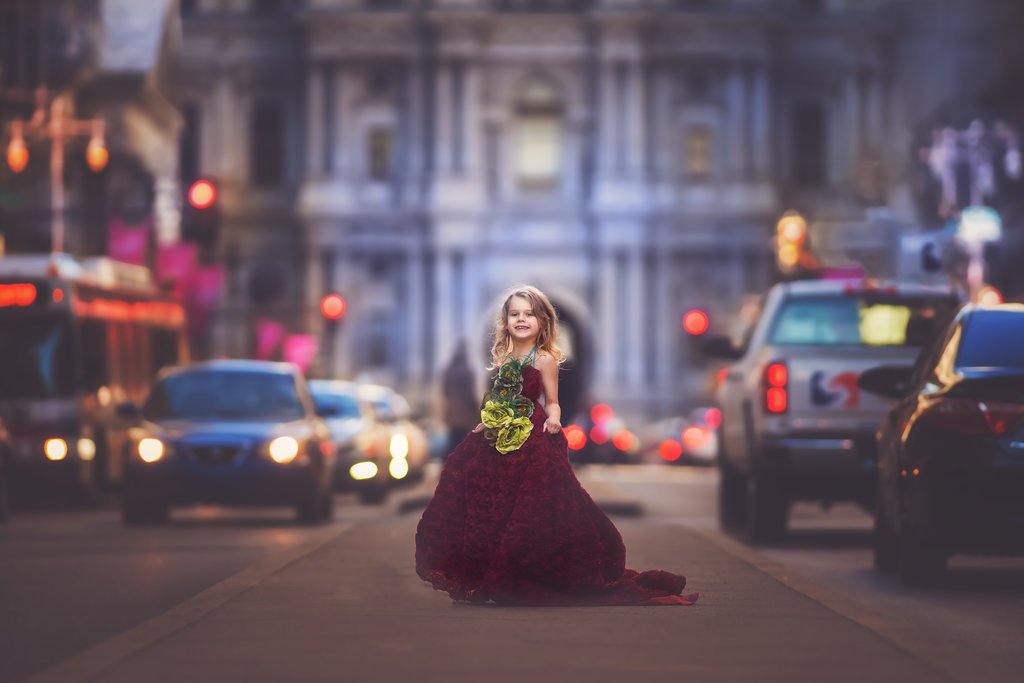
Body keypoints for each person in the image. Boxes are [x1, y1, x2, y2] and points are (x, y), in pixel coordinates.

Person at [415, 285, 698, 606]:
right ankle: (480, 570)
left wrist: (553, 419)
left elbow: (553, 402)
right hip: (501, 428)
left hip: (533, 433)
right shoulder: (504, 356)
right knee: (471, 479)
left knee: (531, 504)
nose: (521, 320)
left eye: (528, 314)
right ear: (505, 320)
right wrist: (484, 422)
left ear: (542, 321)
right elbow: (498, 398)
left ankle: (517, 570)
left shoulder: (546, 359)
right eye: (514, 314)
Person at [441, 339, 478, 462]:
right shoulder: (467, 371)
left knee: (453, 441)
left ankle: (448, 466)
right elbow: (469, 394)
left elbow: (445, 391)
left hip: (452, 412)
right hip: (464, 414)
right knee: (462, 442)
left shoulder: (449, 370)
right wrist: (477, 411)